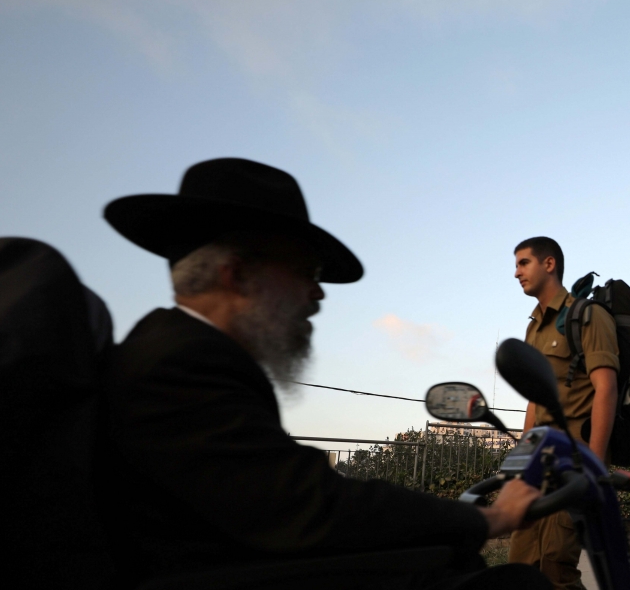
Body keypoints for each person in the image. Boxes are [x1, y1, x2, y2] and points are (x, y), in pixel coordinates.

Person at [96, 157, 548, 590]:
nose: (317, 294)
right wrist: (488, 519)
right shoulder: (180, 363)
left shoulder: (179, 353)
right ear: (236, 274)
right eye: (305, 271)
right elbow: (307, 505)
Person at [508, 237, 619, 590]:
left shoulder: (587, 315)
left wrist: (594, 470)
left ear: (549, 264)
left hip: (573, 466)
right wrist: (521, 461)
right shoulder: (533, 327)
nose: (516, 273)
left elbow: (606, 388)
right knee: (522, 568)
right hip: (537, 467)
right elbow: (533, 400)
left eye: (524, 263)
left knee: (556, 570)